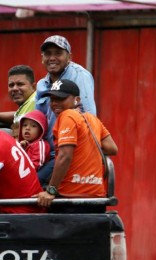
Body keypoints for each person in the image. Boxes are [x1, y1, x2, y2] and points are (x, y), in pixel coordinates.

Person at [35, 79, 117, 211]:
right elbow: (111, 148)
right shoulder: (92, 119)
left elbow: (65, 156)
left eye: (61, 99)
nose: (55, 103)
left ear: (77, 100)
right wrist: (84, 144)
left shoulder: (67, 116)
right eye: (52, 99)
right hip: (96, 196)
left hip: (70, 197)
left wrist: (50, 191)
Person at [35, 35, 97, 186]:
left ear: (69, 57)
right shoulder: (42, 84)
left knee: (30, 184)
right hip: (45, 153)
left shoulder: (79, 75)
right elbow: (38, 119)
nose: (52, 58)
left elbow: (88, 117)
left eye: (58, 53)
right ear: (42, 58)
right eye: (48, 54)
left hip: (67, 152)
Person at [0, 65, 37, 136]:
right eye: (11, 85)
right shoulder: (25, 106)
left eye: (20, 84)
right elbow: (15, 115)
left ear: (34, 87)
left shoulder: (36, 100)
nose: (14, 88)